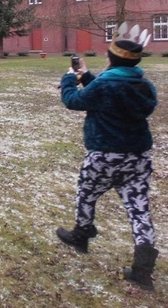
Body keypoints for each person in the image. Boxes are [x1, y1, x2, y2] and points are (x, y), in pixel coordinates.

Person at [56, 23, 158, 290]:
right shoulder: (144, 86)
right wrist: (88, 76)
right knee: (139, 208)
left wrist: (70, 79)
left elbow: (74, 101)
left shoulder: (105, 85)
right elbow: (109, 95)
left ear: (111, 57)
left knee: (86, 193)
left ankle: (82, 233)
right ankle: (144, 266)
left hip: (105, 156)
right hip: (138, 157)